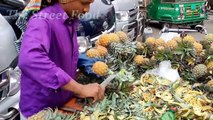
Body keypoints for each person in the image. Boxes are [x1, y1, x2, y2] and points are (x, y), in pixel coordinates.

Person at [18, 0, 105, 118]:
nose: (87, 9)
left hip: (62, 105)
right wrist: (80, 88)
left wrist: (87, 63)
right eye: (84, 3)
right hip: (40, 111)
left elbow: (63, 53)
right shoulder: (42, 21)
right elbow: (29, 59)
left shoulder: (70, 19)